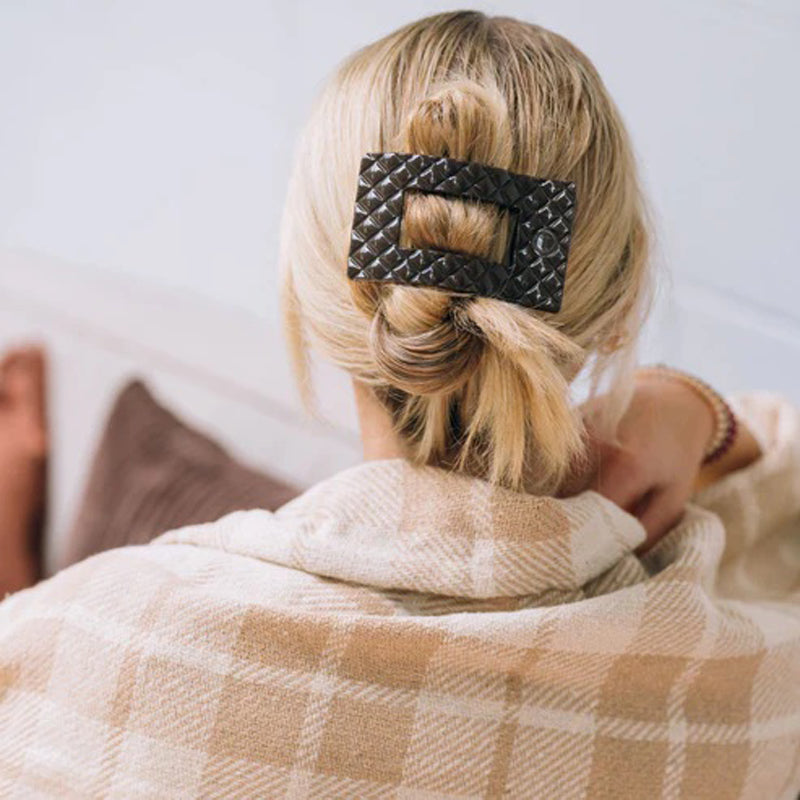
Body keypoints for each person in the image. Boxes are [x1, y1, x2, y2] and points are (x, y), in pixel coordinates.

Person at [0, 11, 797, 799]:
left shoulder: (88, 638)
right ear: (622, 299)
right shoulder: (742, 678)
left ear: (308, 287)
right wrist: (698, 412)